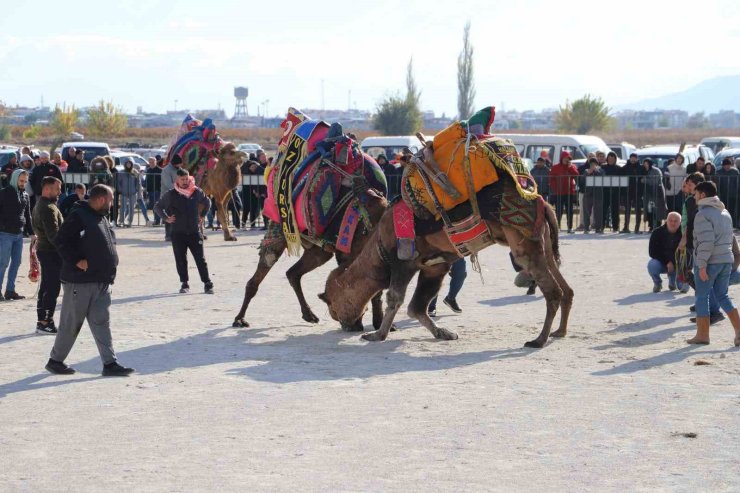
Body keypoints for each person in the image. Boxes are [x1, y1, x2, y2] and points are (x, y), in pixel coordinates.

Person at [46, 184, 135, 376]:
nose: (112, 205)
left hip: (101, 281)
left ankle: (110, 364)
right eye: (110, 200)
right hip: (80, 282)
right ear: (101, 199)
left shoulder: (101, 217)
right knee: (71, 324)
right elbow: (60, 240)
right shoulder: (79, 216)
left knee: (102, 323)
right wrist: (77, 260)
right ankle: (55, 361)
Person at [687, 180, 740, 346]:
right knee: (722, 295)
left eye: (695, 194)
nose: (694, 197)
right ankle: (739, 331)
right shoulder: (725, 213)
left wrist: (701, 265)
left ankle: (703, 335)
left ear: (702, 195)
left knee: (702, 296)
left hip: (710, 261)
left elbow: (706, 242)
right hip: (726, 259)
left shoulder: (702, 214)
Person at [154, 169, 214, 294]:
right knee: (181, 259)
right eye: (182, 179)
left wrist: (202, 215)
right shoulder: (171, 194)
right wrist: (166, 218)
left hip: (194, 232)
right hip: (178, 233)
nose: (185, 182)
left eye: (187, 179)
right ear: (177, 180)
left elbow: (207, 202)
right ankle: (184, 283)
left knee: (200, 259)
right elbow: (157, 207)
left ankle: (207, 283)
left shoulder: (196, 191)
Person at [32, 176, 64, 334]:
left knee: (46, 286)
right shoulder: (48, 207)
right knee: (52, 287)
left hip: (46, 251)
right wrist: (67, 251)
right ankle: (46, 321)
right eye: (57, 188)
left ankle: (42, 321)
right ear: (47, 189)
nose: (60, 192)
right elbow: (54, 236)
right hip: (51, 252)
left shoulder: (43, 204)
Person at [0, 169, 35, 300]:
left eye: (25, 181)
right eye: (21, 181)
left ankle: (10, 290)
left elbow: (28, 215)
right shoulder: (4, 193)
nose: (23, 183)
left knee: (16, 263)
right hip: (4, 234)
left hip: (19, 235)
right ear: (15, 179)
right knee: (2, 263)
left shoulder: (25, 195)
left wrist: (32, 233)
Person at [648, 212, 686, 293]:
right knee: (652, 265)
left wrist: (679, 265)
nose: (673, 223)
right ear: (666, 221)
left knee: (682, 288)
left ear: (680, 222)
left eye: (676, 221)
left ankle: (673, 280)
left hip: (679, 265)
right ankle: (658, 283)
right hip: (663, 263)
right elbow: (652, 252)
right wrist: (667, 262)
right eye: (670, 220)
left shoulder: (684, 234)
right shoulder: (657, 232)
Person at [548, 151, 579, 233]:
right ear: (561, 158)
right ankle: (556, 227)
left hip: (569, 192)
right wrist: (556, 189)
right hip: (559, 193)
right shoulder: (555, 167)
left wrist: (570, 167)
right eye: (565, 158)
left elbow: (576, 175)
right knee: (559, 211)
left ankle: (570, 227)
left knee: (570, 211)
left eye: (568, 158)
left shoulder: (572, 167)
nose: (566, 159)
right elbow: (551, 180)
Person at [160, 154, 182, 241]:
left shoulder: (179, 170)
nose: (180, 165)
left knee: (178, 216)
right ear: (174, 163)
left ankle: (177, 234)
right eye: (179, 164)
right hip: (168, 197)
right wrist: (180, 189)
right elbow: (168, 184)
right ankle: (168, 235)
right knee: (170, 216)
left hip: (179, 196)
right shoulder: (166, 170)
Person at [641, 158, 667, 231]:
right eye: (644, 163)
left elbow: (656, 181)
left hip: (657, 193)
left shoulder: (656, 170)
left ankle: (658, 226)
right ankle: (651, 226)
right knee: (649, 210)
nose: (645, 165)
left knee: (657, 210)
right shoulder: (643, 170)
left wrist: (645, 180)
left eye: (647, 163)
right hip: (648, 194)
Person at [621, 152, 644, 233]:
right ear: (630, 158)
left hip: (638, 191)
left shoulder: (641, 168)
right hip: (627, 191)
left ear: (637, 159)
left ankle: (637, 228)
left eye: (635, 158)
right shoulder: (624, 168)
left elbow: (643, 178)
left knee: (638, 210)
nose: (633, 159)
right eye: (632, 158)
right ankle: (625, 227)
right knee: (627, 210)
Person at [581, 157, 604, 233]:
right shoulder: (586, 171)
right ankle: (586, 228)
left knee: (598, 212)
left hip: (598, 194)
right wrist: (588, 173)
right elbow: (582, 180)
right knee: (587, 211)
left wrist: (597, 171)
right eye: (591, 164)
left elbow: (603, 178)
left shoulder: (601, 171)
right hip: (588, 194)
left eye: (594, 164)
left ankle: (598, 228)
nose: (593, 165)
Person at [115, 158, 141, 227]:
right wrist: (120, 190)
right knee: (122, 208)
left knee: (132, 208)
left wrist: (136, 190)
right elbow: (118, 182)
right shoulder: (121, 172)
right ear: (125, 164)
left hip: (132, 193)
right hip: (124, 193)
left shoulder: (135, 172)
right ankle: (121, 221)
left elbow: (138, 182)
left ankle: (130, 222)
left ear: (132, 164)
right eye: (127, 163)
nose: (128, 165)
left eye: (130, 163)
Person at [715, 157, 739, 226]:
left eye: (729, 165)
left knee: (732, 210)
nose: (727, 167)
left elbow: (737, 183)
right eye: (726, 165)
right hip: (722, 195)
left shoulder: (735, 172)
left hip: (732, 195)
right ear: (723, 165)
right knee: (722, 210)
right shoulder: (719, 172)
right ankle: (723, 224)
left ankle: (732, 223)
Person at [601, 151, 621, 232]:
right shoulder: (603, 167)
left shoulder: (619, 168)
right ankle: (601, 226)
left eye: (612, 159)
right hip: (605, 192)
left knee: (615, 211)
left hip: (615, 192)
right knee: (603, 210)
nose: (610, 160)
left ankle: (615, 227)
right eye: (609, 159)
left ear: (615, 159)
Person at [145, 157, 162, 226]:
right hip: (150, 191)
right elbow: (146, 180)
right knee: (153, 206)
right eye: (150, 162)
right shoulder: (148, 170)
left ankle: (158, 221)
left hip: (157, 191)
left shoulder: (160, 170)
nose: (151, 163)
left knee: (157, 206)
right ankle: (156, 220)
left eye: (153, 162)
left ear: (156, 162)